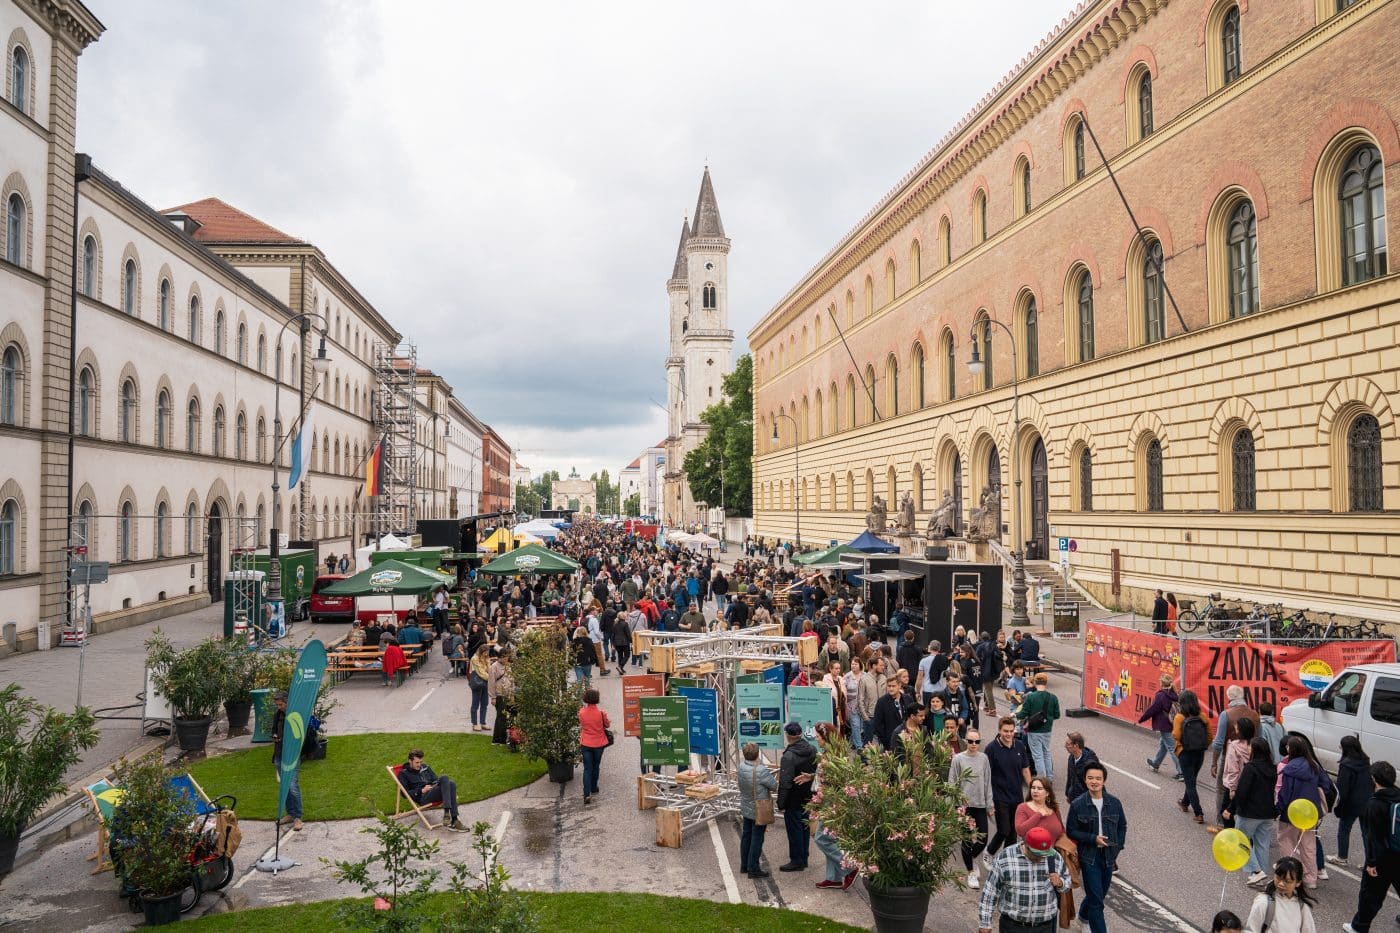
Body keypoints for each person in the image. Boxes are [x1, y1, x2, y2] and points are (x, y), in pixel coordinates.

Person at [1066, 762, 1126, 933]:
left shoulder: (1114, 803)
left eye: (1098, 778)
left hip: (1109, 856)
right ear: (1085, 780)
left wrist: (1117, 847)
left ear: (1104, 781)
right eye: (1090, 778)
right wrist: (1093, 839)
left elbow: (1122, 826)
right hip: (1089, 856)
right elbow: (1071, 831)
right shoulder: (1078, 804)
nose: (1094, 781)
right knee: (1097, 901)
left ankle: (1084, 916)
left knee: (1099, 895)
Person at [977, 825, 1070, 933]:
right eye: (1037, 854)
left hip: (1045, 927)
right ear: (1026, 845)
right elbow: (990, 892)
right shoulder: (1005, 858)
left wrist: (1061, 883)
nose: (1041, 858)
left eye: (1044, 854)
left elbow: (1067, 882)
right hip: (1013, 927)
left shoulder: (1054, 857)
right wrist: (985, 923)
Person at [1344, 761, 1400, 933]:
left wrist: (1371, 863)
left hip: (1383, 858)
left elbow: (1372, 839)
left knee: (1371, 895)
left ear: (1375, 779)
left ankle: (1359, 927)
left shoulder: (1375, 804)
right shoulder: (1398, 796)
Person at [1276, 734, 1335, 889]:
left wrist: (1279, 808)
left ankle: (1290, 876)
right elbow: (1327, 786)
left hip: (1291, 813)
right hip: (1310, 813)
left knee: (1287, 842)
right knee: (1308, 846)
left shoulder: (1290, 768)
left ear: (1292, 750)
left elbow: (1285, 792)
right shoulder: (1314, 765)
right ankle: (1310, 879)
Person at [1223, 737, 1279, 887]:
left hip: (1249, 812)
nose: (1248, 748)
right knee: (1262, 843)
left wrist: (1231, 808)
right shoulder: (1272, 768)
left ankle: (1256, 871)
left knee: (1239, 840)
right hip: (1267, 812)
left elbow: (1242, 791)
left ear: (1255, 750)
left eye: (1250, 746)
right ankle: (1262, 874)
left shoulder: (1251, 767)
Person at [810, 722, 857, 890]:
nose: (816, 740)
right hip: (830, 799)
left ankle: (850, 867)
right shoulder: (831, 753)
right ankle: (834, 877)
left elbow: (835, 780)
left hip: (832, 801)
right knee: (830, 837)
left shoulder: (832, 757)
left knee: (821, 838)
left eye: (818, 737)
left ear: (826, 737)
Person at [1210, 684, 1261, 831]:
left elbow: (1218, 742)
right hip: (1252, 756)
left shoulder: (1226, 714)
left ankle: (1222, 820)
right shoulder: (1255, 715)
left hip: (1230, 754)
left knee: (1223, 787)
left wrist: (1214, 763)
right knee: (1249, 787)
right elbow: (1261, 738)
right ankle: (1245, 820)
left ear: (1229, 698)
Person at [985, 717, 1033, 863]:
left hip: (1016, 796)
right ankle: (989, 852)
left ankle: (1006, 860)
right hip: (999, 797)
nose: (1009, 734)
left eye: (1011, 731)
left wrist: (1032, 789)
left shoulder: (1019, 746)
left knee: (1014, 832)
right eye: (1005, 731)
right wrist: (988, 801)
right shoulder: (991, 749)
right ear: (999, 730)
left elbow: (1025, 770)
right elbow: (986, 775)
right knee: (1003, 830)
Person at [952, 728, 994, 889]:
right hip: (964, 806)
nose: (974, 744)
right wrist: (954, 806)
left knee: (983, 838)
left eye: (977, 741)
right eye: (970, 741)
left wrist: (989, 804)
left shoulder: (984, 758)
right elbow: (952, 782)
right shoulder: (958, 759)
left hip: (980, 804)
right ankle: (970, 872)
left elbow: (987, 782)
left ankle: (972, 858)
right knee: (967, 839)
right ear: (965, 741)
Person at [777, 721, 817, 872]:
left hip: (793, 798)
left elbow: (785, 782)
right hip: (808, 795)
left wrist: (781, 803)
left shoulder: (788, 756)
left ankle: (796, 860)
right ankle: (803, 857)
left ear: (788, 736)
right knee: (804, 827)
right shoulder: (812, 749)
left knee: (794, 830)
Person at [397, 749, 465, 831]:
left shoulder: (425, 767)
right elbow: (405, 794)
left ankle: (453, 818)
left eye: (421, 762)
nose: (419, 765)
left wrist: (433, 785)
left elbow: (436, 780)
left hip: (433, 791)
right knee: (449, 782)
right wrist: (421, 790)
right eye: (417, 762)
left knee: (450, 783)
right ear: (410, 761)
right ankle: (451, 817)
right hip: (423, 797)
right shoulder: (403, 774)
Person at [737, 742, 777, 878]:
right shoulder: (761, 770)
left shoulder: (741, 767)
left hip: (746, 805)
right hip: (759, 808)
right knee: (757, 838)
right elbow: (774, 786)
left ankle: (744, 865)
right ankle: (753, 867)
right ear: (757, 754)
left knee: (746, 836)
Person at [1245, 856, 1316, 933]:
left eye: (1287, 881)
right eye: (1278, 878)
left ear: (1298, 883)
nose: (1281, 883)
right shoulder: (1263, 902)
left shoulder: (1302, 906)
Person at [1331, 735, 1372, 868]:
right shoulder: (1365, 760)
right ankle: (1369, 862)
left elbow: (1343, 789)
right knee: (1366, 833)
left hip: (1352, 804)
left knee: (1344, 829)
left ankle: (1342, 857)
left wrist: (1339, 806)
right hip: (1367, 801)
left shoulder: (1346, 765)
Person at [1173, 689, 1211, 824]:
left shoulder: (1179, 717)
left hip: (1185, 753)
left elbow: (1176, 735)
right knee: (1192, 779)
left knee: (1190, 783)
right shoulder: (1202, 716)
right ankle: (1184, 803)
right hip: (1199, 753)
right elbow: (1209, 736)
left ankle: (1198, 813)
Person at [269, 690, 304, 831]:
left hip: (292, 755)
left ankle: (297, 817)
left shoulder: (295, 715)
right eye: (277, 705)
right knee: (285, 785)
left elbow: (299, 734)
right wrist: (275, 736)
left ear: (287, 702)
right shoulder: (278, 715)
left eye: (281, 704)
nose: (279, 707)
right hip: (279, 754)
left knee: (292, 785)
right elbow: (273, 731)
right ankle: (290, 813)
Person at [1016, 672, 1059, 782]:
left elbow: (1022, 714)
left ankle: (1042, 779)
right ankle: (1049, 778)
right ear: (1046, 683)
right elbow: (1057, 715)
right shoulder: (1053, 697)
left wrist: (1015, 714)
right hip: (1047, 730)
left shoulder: (1031, 697)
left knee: (1038, 756)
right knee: (1046, 753)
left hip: (1034, 730)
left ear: (1035, 682)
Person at [1140, 674, 1183, 780]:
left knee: (1172, 747)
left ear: (1161, 683)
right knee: (1163, 744)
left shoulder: (1161, 695)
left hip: (1164, 724)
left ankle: (1182, 772)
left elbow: (1153, 709)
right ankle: (1155, 762)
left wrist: (1142, 719)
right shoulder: (1174, 694)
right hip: (1173, 722)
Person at [577, 688, 610, 804]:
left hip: (585, 743)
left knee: (587, 768)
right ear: (597, 699)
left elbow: (581, 723)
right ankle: (594, 787)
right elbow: (607, 724)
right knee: (596, 766)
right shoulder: (601, 713)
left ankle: (586, 794)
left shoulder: (581, 712)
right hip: (599, 744)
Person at [1015, 776, 1064, 844]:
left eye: (1039, 788)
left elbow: (1062, 830)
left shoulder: (1053, 808)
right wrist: (1038, 815)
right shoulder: (1022, 807)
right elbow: (1020, 831)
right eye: (1033, 788)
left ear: (1047, 793)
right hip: (1031, 853)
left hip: (1053, 852)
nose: (1035, 791)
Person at [870, 676, 906, 751]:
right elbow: (878, 724)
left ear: (899, 685)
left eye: (893, 686)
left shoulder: (907, 699)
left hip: (906, 740)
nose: (891, 688)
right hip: (889, 742)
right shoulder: (881, 702)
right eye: (889, 686)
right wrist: (885, 741)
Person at [488, 649, 515, 747]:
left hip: (508, 694)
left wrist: (512, 694)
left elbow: (512, 680)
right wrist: (493, 697)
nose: (506, 659)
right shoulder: (494, 667)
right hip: (499, 695)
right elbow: (491, 683)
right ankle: (497, 739)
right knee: (501, 717)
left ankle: (506, 738)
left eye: (507, 656)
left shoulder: (509, 666)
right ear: (499, 657)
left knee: (509, 716)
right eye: (504, 657)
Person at [1063, 732, 1099, 805]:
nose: (1065, 746)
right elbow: (1070, 777)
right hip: (1074, 798)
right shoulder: (1071, 757)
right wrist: (1068, 793)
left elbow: (1096, 784)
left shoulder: (1090, 763)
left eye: (1068, 744)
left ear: (1076, 746)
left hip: (1086, 801)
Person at [467, 644, 491, 731]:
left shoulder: (486, 658)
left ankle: (483, 722)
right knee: (475, 703)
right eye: (485, 652)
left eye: (487, 652)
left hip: (485, 682)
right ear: (481, 651)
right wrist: (491, 678)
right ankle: (474, 723)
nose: (487, 654)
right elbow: (480, 672)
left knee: (485, 703)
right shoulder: (474, 658)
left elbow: (489, 669)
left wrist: (487, 661)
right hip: (477, 682)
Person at [611, 608, 633, 674]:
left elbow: (613, 634)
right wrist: (632, 641)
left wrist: (613, 643)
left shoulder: (615, 624)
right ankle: (620, 666)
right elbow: (628, 634)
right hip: (624, 642)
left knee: (620, 655)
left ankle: (621, 669)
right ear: (623, 616)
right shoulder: (625, 624)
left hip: (616, 642)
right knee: (627, 655)